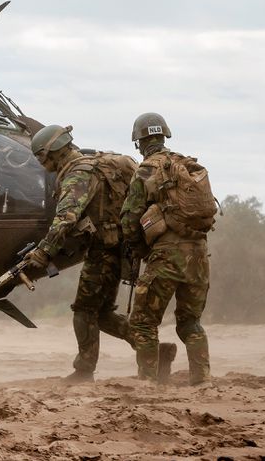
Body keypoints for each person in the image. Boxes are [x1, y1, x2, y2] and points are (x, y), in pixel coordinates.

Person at [24, 124, 174, 382]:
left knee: (83, 310)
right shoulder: (108, 162)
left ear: (53, 152)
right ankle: (153, 351)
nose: (42, 164)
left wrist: (43, 252)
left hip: (103, 251)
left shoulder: (77, 174)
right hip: (124, 249)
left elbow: (66, 217)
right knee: (102, 312)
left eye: (41, 157)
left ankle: (83, 371)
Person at [120, 112, 216, 385]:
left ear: (139, 142)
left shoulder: (146, 170)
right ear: (164, 136)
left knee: (143, 321)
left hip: (165, 256)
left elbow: (129, 219)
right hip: (198, 255)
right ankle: (203, 380)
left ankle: (148, 382)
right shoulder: (187, 166)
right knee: (190, 323)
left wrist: (137, 249)